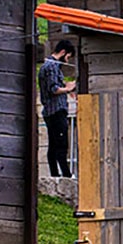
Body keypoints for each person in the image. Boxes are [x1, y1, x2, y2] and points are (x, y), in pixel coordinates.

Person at [39, 40, 76, 177]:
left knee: (54, 144)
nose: (66, 61)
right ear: (63, 52)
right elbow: (53, 89)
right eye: (67, 57)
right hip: (55, 110)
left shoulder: (50, 67)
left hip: (51, 111)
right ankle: (65, 174)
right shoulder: (51, 66)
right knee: (61, 144)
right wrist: (67, 89)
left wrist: (67, 86)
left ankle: (55, 173)